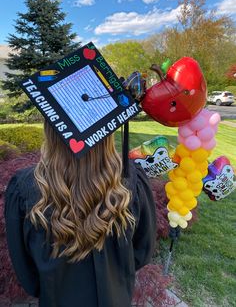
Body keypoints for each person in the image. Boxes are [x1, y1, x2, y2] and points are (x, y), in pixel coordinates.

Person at [5, 120, 156, 307]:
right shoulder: (130, 181)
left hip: (56, 299)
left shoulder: (24, 188)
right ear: (106, 131)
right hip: (114, 298)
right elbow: (142, 251)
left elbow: (24, 268)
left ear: (51, 129)